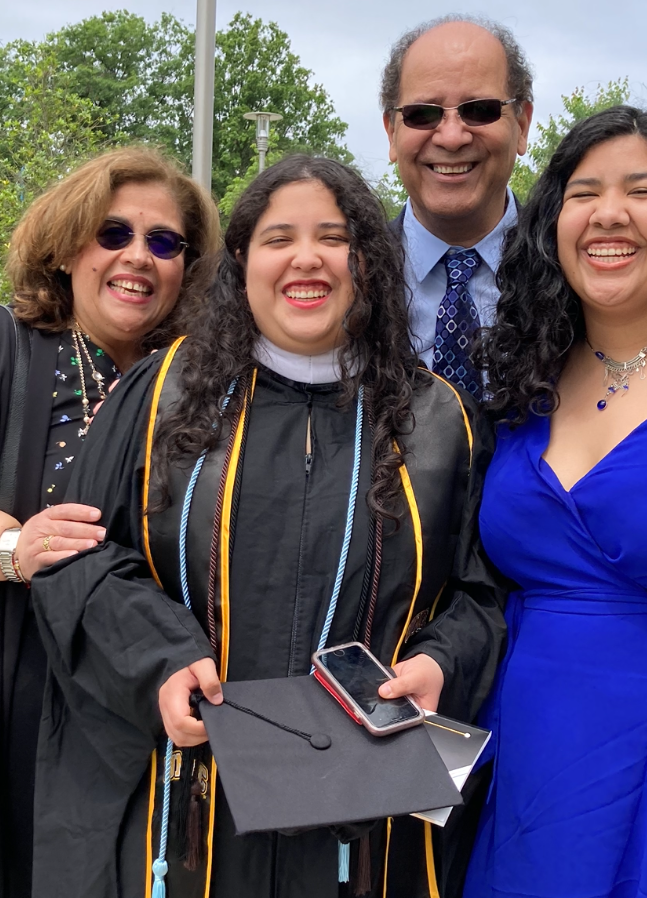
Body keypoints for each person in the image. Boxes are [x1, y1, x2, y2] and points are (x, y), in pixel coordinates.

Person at [30, 155, 505, 898]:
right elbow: (80, 559)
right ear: (243, 261)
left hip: (369, 813)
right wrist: (161, 657)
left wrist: (442, 660)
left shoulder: (438, 421)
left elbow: (482, 593)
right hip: (190, 804)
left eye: (334, 236)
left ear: (370, 265)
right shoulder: (162, 396)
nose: (307, 258)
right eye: (280, 237)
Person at [463, 105, 647, 897]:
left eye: (642, 190)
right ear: (556, 224)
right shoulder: (526, 375)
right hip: (524, 767)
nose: (609, 213)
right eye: (583, 193)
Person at [0, 146, 220, 898]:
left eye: (165, 243)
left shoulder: (201, 390)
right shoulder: (11, 349)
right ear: (67, 247)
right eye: (113, 232)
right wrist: (11, 546)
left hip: (129, 715)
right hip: (17, 688)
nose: (139, 257)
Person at [380, 15, 533, 397]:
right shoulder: (347, 280)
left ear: (523, 124)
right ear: (391, 133)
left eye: (479, 109)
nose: (451, 137)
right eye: (422, 114)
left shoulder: (576, 275)